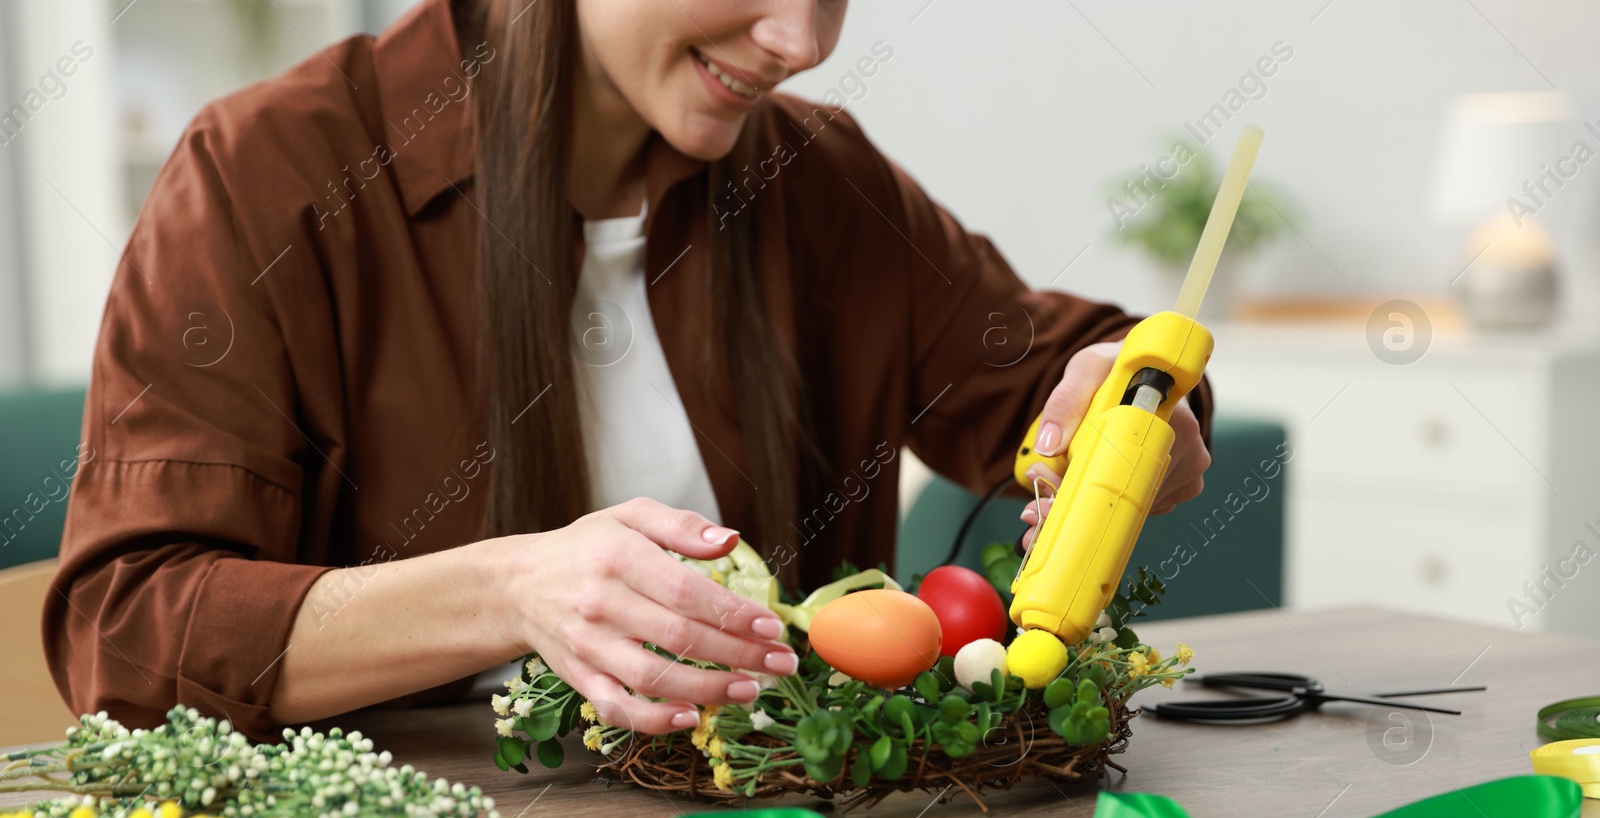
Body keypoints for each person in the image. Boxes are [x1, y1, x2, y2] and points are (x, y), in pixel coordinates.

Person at [43, 0, 1212, 742]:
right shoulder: (269, 174)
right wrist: (511, 590)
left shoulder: (818, 181)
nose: (800, 40)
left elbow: (1064, 370)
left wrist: (1133, 391)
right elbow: (127, 631)